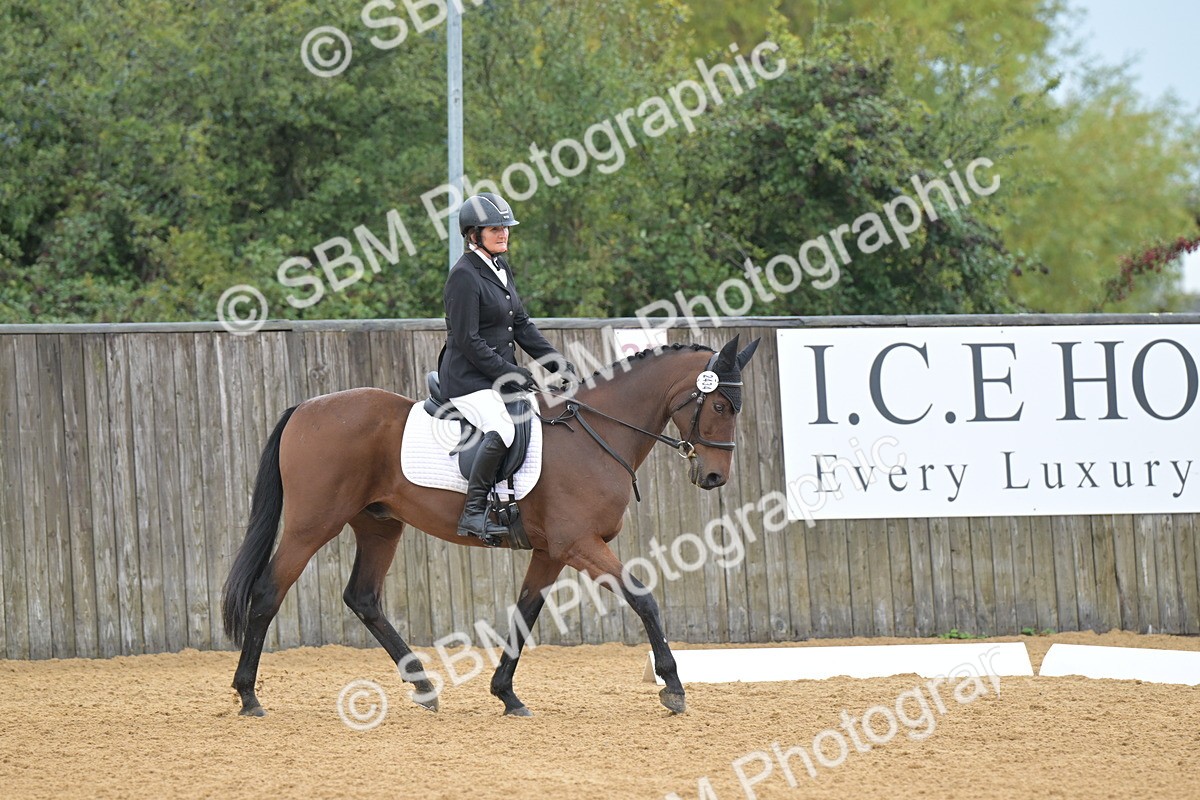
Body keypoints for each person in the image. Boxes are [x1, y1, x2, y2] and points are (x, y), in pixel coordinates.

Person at [439, 192, 577, 545]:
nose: (504, 234)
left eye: (506, 228)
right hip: (467, 379)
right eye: (495, 229)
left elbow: (523, 325)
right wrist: (509, 372)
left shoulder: (500, 269)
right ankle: (473, 510)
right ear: (474, 235)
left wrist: (556, 362)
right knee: (503, 427)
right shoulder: (464, 277)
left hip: (494, 375)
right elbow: (468, 341)